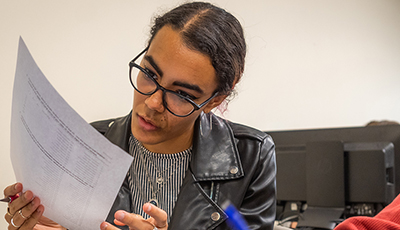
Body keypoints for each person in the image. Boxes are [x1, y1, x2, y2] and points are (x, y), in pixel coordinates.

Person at [3, 2, 276, 230]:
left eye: (182, 95)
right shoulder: (85, 144)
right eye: (149, 74)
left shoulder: (252, 157)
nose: (153, 102)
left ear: (213, 101)